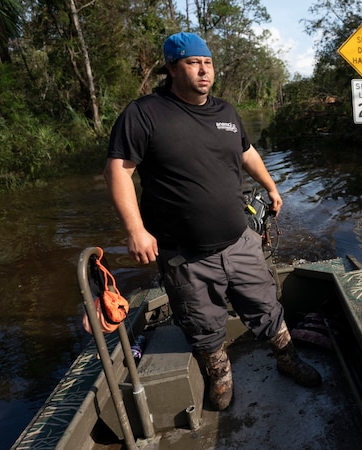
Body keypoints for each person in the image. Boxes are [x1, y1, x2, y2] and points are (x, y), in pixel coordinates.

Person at [103, 31, 321, 411]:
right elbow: (119, 170)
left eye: (207, 62)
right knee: (202, 324)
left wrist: (271, 186)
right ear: (172, 68)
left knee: (266, 304)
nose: (204, 70)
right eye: (193, 63)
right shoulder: (144, 113)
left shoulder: (225, 112)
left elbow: (247, 153)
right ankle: (220, 379)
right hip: (183, 255)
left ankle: (288, 360)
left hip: (239, 241)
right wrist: (135, 230)